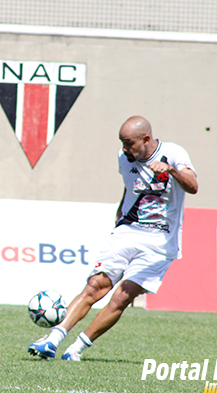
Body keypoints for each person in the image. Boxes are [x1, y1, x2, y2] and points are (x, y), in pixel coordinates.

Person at [28, 115, 198, 360]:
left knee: (122, 296)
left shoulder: (173, 153)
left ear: (146, 139)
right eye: (122, 143)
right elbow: (130, 186)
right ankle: (52, 341)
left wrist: (171, 170)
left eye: (129, 143)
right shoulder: (124, 158)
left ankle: (76, 349)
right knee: (95, 286)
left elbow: (193, 186)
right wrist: (120, 212)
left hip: (160, 242)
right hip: (127, 232)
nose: (124, 149)